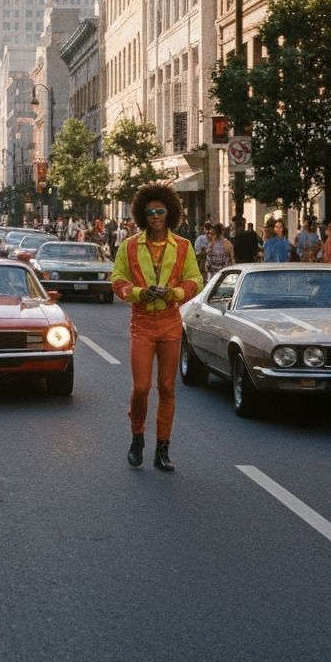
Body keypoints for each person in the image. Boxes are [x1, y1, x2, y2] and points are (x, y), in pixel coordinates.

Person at [110, 183, 203, 473]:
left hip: (170, 322)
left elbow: (195, 281)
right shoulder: (129, 246)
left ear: (169, 212)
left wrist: (174, 294)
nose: (155, 216)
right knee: (141, 387)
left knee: (166, 387)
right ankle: (137, 436)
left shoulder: (184, 247)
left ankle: (162, 448)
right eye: (149, 212)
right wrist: (138, 293)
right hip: (142, 323)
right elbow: (117, 280)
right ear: (142, 215)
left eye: (160, 211)